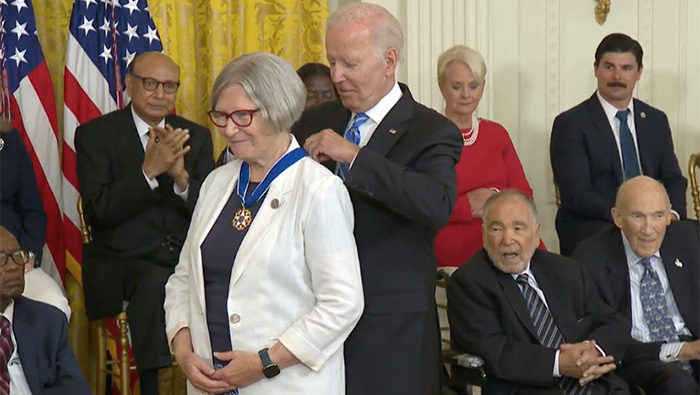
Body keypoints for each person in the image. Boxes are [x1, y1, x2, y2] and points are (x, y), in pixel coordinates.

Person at [164, 52, 364, 395]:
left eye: (242, 116)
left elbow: (342, 304)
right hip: (207, 385)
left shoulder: (319, 190)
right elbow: (184, 278)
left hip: (285, 385)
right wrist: (184, 351)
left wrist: (264, 362)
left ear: (278, 109)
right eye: (221, 116)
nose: (228, 129)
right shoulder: (216, 183)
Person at [293, 4, 463, 394]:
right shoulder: (317, 121)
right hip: (313, 318)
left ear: (389, 61)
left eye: (349, 63)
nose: (336, 75)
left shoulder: (431, 129)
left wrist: (354, 156)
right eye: (332, 61)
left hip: (390, 326)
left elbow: (436, 203)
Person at [75, 52, 215, 394]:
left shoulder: (194, 136)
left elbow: (213, 210)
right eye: (150, 84)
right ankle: (155, 386)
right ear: (129, 84)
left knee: (220, 276)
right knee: (157, 283)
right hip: (120, 261)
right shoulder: (95, 135)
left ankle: (221, 377)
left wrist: (181, 178)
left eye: (169, 86)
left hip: (182, 257)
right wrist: (148, 173)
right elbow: (98, 211)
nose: (160, 93)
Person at [447, 190, 631, 394]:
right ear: (484, 235)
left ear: (536, 234)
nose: (508, 239)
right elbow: (497, 353)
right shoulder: (469, 283)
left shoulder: (567, 270)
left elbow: (613, 322)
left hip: (593, 384)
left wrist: (593, 352)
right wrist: (559, 363)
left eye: (518, 228)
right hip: (527, 388)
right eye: (497, 229)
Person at [550, 33, 687, 256]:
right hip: (598, 222)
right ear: (596, 69)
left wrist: (670, 214)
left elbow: (673, 178)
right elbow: (577, 194)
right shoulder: (571, 123)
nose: (617, 76)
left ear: (639, 72)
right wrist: (629, 217)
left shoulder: (655, 120)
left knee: (689, 238)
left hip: (651, 222)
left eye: (626, 68)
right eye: (609, 67)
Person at [573, 176, 699, 394]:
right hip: (635, 357)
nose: (648, 229)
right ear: (617, 217)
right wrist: (682, 350)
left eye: (658, 216)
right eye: (638, 216)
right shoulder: (591, 258)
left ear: (670, 216)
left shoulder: (689, 238)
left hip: (693, 344)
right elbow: (601, 337)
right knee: (679, 384)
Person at [433, 45, 543, 269]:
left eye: (473, 86)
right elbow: (421, 199)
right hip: (453, 239)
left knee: (555, 275)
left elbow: (524, 194)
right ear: (441, 86)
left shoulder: (496, 134)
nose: (466, 95)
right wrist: (466, 206)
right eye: (457, 86)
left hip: (505, 236)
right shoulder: (427, 134)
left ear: (483, 87)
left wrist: (493, 199)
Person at [0, 226, 91, 394]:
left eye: (17, 256)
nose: (13, 267)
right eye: (1, 258)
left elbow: (76, 388)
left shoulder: (47, 321)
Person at [0, 119, 71, 320]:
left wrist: (29, 253)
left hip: (12, 261)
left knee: (55, 305)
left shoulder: (10, 142)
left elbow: (34, 212)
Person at [215, 62, 339, 167]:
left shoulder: (341, 132)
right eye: (310, 97)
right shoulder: (274, 132)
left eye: (327, 96)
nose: (319, 103)